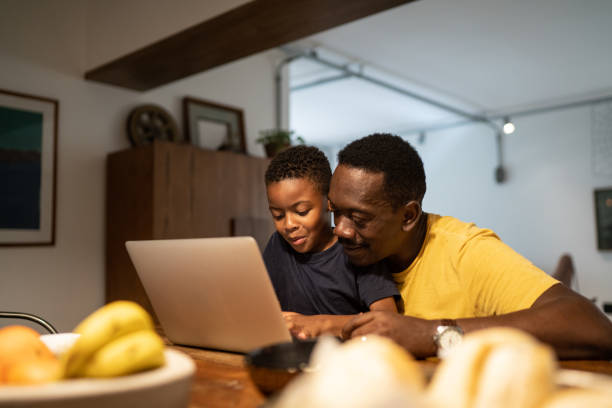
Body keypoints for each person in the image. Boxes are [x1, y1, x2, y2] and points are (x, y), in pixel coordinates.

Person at [330, 133, 612, 359]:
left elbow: (592, 327)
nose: (340, 230)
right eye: (335, 212)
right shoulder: (330, 248)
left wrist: (431, 333)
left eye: (358, 218)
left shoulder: (464, 251)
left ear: (408, 216)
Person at [262, 145, 400, 339]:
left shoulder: (356, 248)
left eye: (301, 212)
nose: (289, 224)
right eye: (278, 215)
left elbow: (388, 319)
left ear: (330, 202)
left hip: (346, 361)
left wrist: (319, 323)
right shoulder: (277, 246)